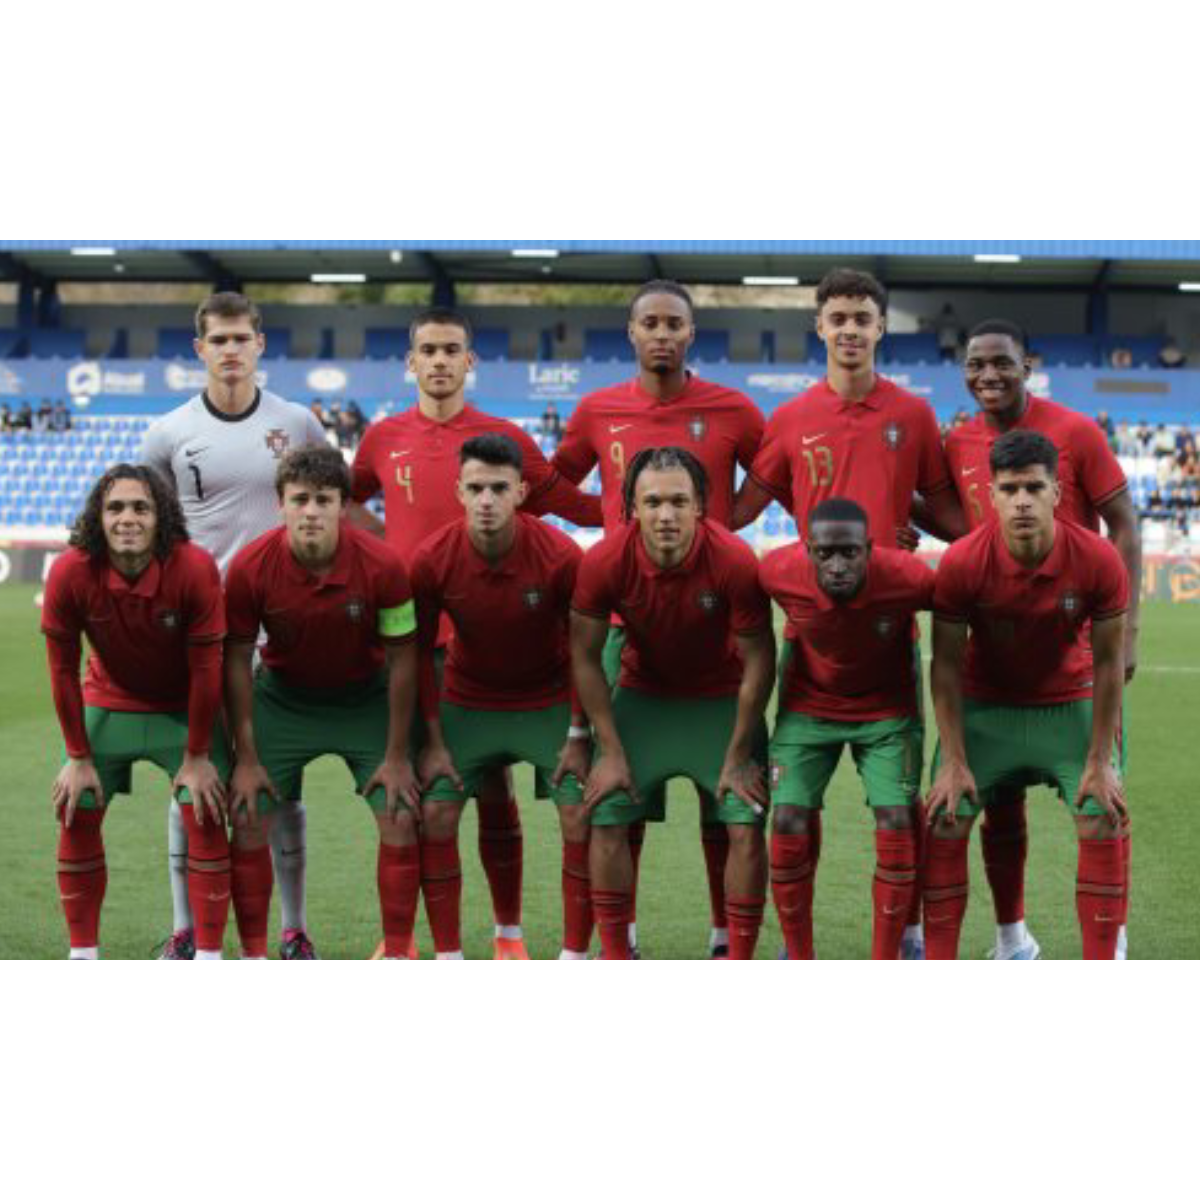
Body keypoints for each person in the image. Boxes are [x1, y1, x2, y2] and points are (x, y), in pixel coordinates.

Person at [350, 307, 603, 959]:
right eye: (427, 350)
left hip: (490, 646)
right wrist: (383, 549)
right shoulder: (383, 437)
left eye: (451, 349)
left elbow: (564, 504)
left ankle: (507, 933)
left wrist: (641, 511)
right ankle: (401, 939)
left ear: (470, 361)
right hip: (414, 641)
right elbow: (342, 494)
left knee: (493, 787)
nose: (438, 360)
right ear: (410, 362)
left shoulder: (503, 438)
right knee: (414, 794)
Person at [733, 268, 965, 959]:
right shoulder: (794, 418)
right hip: (812, 635)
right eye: (838, 319)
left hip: (892, 630)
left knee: (900, 810)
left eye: (863, 318)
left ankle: (908, 933)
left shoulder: (913, 415)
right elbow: (744, 509)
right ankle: (797, 943)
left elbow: (947, 511)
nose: (851, 330)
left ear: (881, 327)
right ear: (820, 327)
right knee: (797, 811)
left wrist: (906, 528)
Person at [553, 279, 767, 959]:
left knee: (731, 813)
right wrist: (611, 517)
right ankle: (620, 945)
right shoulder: (597, 411)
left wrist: (726, 524)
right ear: (632, 331)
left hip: (714, 666)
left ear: (691, 332)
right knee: (614, 804)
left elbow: (771, 474)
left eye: (675, 322)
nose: (663, 333)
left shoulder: (732, 409)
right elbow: (558, 481)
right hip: (634, 654)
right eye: (650, 322)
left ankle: (726, 940)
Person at [141, 291, 328, 961]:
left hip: (281, 631)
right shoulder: (166, 433)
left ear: (259, 344)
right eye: (217, 339)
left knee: (278, 782)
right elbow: (147, 531)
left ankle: (294, 927)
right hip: (197, 635)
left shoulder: (298, 422)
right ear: (200, 348)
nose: (229, 349)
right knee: (191, 780)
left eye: (240, 338)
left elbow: (326, 501)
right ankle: (185, 929)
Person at [947, 319, 1141, 961]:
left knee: (1102, 801)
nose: (989, 376)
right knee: (992, 811)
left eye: (1002, 363)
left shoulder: (1077, 431)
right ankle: (1012, 941)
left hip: (1072, 646)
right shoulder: (958, 438)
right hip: (994, 657)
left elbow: (1123, 522)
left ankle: (1105, 944)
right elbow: (953, 514)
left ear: (1027, 364)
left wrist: (1130, 626)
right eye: (976, 364)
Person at [572, 447, 776, 961]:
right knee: (606, 815)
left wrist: (738, 755)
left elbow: (760, 661)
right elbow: (585, 658)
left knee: (745, 822)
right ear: (631, 508)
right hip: (646, 697)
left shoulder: (732, 559)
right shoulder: (604, 561)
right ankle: (617, 951)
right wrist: (610, 750)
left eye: (680, 502)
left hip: (722, 702)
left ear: (701, 507)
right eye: (654, 501)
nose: (667, 515)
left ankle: (736, 952)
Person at [223, 446, 423, 962]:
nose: (311, 511)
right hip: (284, 700)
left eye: (324, 500)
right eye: (301, 499)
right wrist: (245, 757)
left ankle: (397, 951)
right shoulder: (249, 567)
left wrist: (399, 755)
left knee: (400, 813)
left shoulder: (383, 565)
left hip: (365, 698)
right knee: (247, 814)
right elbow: (236, 658)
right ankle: (252, 952)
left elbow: (404, 659)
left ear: (343, 506)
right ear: (281, 504)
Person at [412, 434, 592, 961]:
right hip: (470, 700)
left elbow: (585, 653)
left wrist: (580, 734)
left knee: (579, 814)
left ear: (521, 492)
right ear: (458, 493)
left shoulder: (561, 556)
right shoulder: (431, 559)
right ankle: (449, 954)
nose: (486, 499)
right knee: (439, 814)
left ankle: (572, 953)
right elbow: (419, 653)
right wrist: (435, 740)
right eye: (476, 488)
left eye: (498, 488)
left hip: (549, 699)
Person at [41, 465, 232, 960]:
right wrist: (78, 756)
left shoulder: (193, 568)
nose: (128, 518)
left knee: (205, 805)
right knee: (75, 806)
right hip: (109, 702)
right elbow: (61, 670)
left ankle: (208, 953)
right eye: (116, 507)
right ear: (98, 518)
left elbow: (208, 668)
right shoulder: (70, 571)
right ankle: (82, 952)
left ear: (161, 517)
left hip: (183, 707)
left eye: (141, 507)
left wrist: (196, 756)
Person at [761, 499, 935, 962]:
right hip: (807, 710)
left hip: (886, 713)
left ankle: (888, 953)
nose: (837, 566)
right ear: (807, 550)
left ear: (870, 549)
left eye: (850, 553)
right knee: (787, 821)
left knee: (898, 820)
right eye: (826, 554)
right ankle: (799, 953)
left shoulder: (909, 577)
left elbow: (967, 606)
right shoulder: (775, 571)